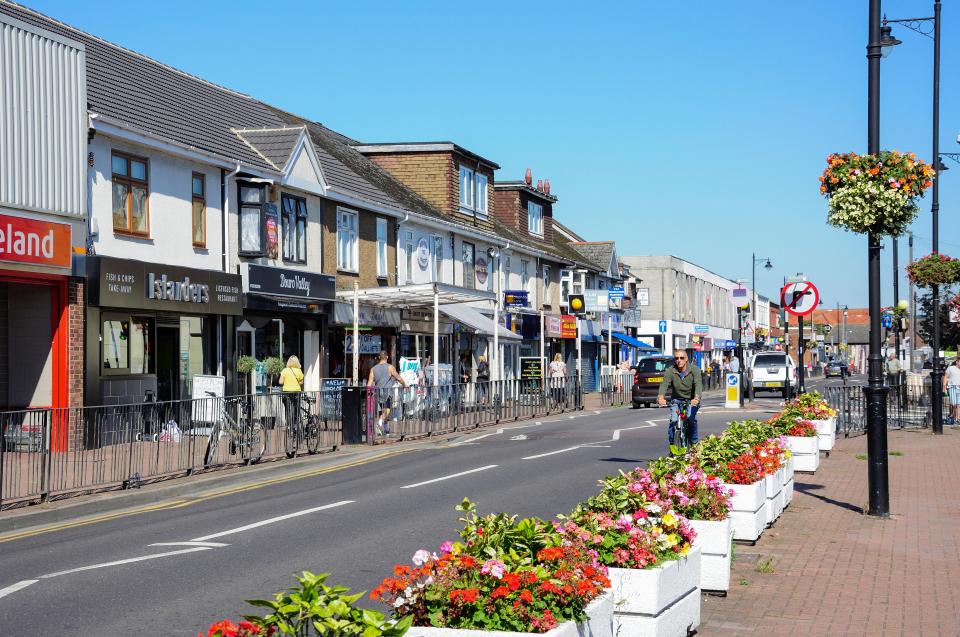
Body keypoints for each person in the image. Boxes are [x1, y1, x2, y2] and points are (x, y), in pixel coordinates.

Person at [657, 349, 702, 447]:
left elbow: (698, 384)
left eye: (681, 358)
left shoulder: (694, 370)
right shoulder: (670, 371)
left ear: (686, 359)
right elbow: (664, 384)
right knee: (673, 420)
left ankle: (694, 443)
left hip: (691, 400)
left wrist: (696, 398)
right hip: (676, 400)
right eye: (676, 358)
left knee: (690, 419)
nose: (679, 360)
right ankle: (673, 443)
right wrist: (661, 397)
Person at [367, 351, 406, 437]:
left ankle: (386, 430)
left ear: (379, 357)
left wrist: (368, 393)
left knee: (383, 412)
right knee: (387, 411)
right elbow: (398, 377)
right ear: (387, 357)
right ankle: (379, 424)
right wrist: (404, 385)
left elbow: (369, 384)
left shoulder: (373, 369)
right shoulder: (390, 367)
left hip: (377, 393)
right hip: (387, 393)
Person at [279, 355, 304, 434]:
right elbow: (301, 382)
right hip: (296, 392)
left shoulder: (285, 370)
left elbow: (280, 382)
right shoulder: (299, 371)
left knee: (288, 410)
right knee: (296, 409)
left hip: (287, 392)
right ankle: (295, 425)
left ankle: (289, 426)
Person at [944, 358, 960, 426]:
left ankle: (957, 419)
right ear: (957, 362)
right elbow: (946, 377)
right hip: (952, 387)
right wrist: (944, 387)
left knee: (958, 405)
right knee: (953, 404)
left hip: (959, 388)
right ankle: (950, 415)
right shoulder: (951, 368)